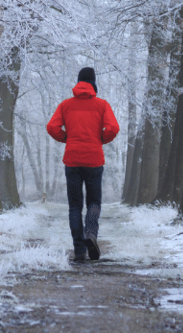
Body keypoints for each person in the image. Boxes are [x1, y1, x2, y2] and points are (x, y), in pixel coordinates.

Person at [47, 67, 119, 262]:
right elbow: (113, 127)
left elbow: (52, 127)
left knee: (74, 206)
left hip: (72, 160)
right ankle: (91, 234)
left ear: (78, 82)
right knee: (94, 202)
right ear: (94, 83)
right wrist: (100, 139)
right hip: (94, 160)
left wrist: (66, 138)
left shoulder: (66, 105)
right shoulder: (102, 105)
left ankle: (79, 250)